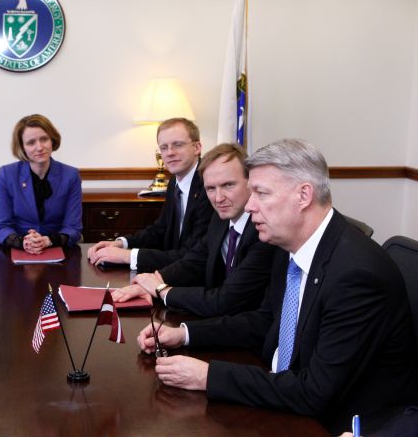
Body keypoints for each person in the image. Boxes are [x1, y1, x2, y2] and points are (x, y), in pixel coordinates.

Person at [137, 139, 418, 434]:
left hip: (339, 423)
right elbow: (265, 322)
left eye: (261, 193)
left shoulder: (357, 274)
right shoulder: (290, 245)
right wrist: (184, 334)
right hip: (286, 394)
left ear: (303, 195)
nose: (249, 205)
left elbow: (315, 393)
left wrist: (209, 376)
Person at [112, 143, 274, 316]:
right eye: (210, 188)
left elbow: (226, 301)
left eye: (228, 185)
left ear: (251, 183)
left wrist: (161, 290)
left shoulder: (264, 232)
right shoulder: (220, 220)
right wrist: (151, 282)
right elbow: (195, 261)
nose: (218, 198)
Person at [87, 117, 213, 271]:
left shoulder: (210, 186)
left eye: (178, 145)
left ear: (197, 147)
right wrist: (121, 243)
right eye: (164, 147)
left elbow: (191, 255)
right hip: (176, 270)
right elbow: (160, 229)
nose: (170, 153)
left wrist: (127, 256)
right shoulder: (175, 181)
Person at [0, 114, 82, 254]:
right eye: (31, 143)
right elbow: (2, 227)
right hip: (18, 250)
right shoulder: (7, 174)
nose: (40, 147)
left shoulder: (71, 175)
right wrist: (23, 242)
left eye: (44, 139)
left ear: (52, 140)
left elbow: (73, 227)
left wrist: (48, 240)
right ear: (22, 147)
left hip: (56, 248)